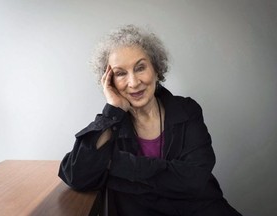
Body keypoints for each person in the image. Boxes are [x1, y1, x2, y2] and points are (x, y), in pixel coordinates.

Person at [58, 24, 242, 216]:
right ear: (110, 81)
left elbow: (194, 179)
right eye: (121, 73)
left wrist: (114, 165)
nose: (134, 82)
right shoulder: (110, 125)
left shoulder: (187, 110)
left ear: (156, 69)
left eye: (140, 68)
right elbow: (77, 176)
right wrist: (112, 112)